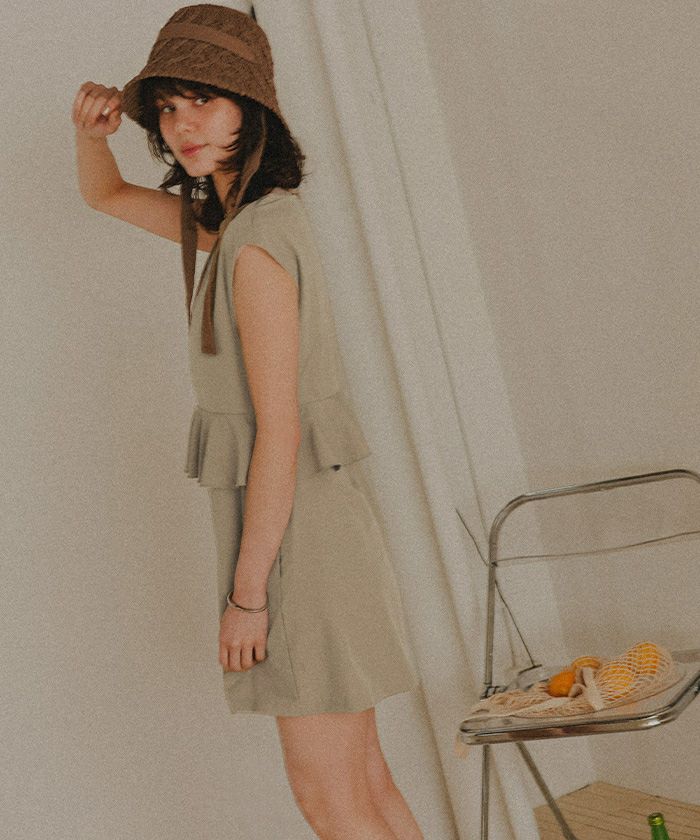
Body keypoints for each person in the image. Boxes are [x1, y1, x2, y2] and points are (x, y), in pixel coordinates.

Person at [72, 5, 423, 838]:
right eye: (168, 107)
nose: (183, 124)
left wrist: (249, 598)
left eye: (206, 99)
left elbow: (281, 430)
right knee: (364, 783)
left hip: (295, 546)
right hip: (318, 529)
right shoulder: (237, 225)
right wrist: (92, 134)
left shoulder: (255, 244)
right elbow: (106, 194)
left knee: (330, 797)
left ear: (251, 108)